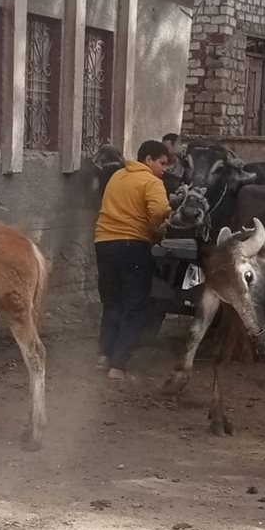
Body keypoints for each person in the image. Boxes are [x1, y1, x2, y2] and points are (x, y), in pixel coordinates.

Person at [94, 139, 171, 381]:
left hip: (103, 243)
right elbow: (160, 212)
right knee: (135, 306)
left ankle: (104, 356)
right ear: (148, 159)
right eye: (162, 163)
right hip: (132, 246)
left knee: (112, 302)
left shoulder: (117, 176)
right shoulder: (151, 182)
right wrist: (159, 230)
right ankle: (118, 365)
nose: (165, 169)